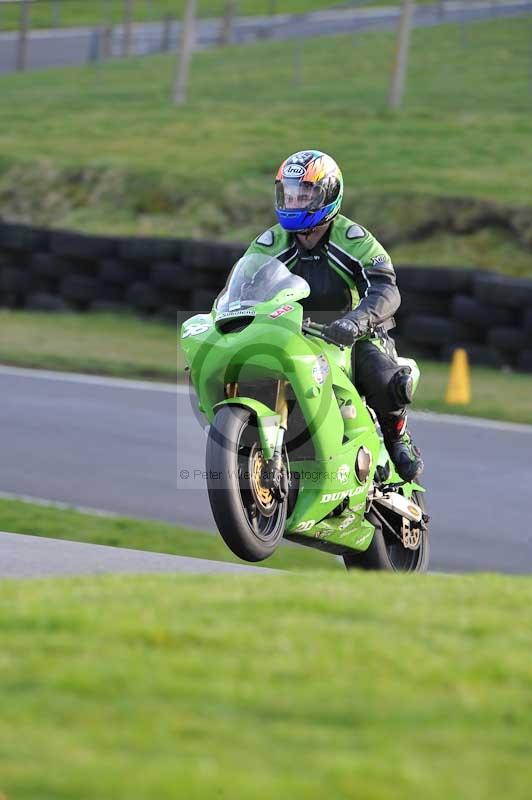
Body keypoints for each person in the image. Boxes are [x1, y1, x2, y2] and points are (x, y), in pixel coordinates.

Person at [242, 149, 423, 482]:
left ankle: (397, 437)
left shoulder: (352, 239)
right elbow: (241, 286)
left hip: (352, 336)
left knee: (384, 378)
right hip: (291, 335)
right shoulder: (271, 242)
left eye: (306, 192)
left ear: (327, 193)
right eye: (290, 192)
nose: (296, 200)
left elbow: (386, 289)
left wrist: (356, 322)